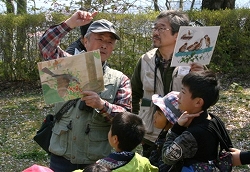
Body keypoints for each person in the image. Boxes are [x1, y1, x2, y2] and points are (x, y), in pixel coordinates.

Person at [38, 10, 132, 172]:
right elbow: (45, 45)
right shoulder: (66, 65)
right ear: (85, 41)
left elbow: (126, 120)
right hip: (62, 156)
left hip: (97, 162)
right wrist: (70, 23)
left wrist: (102, 105)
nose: (104, 45)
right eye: (100, 39)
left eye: (110, 42)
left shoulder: (120, 79)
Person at [131, 10, 205, 157]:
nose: (155, 32)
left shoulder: (193, 61)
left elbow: (205, 100)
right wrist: (136, 127)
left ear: (178, 35)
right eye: (154, 27)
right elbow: (134, 95)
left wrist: (201, 77)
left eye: (161, 28)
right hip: (150, 134)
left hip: (183, 134)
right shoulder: (146, 60)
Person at [162, 70, 233, 171]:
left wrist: (176, 128)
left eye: (183, 92)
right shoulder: (215, 120)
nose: (178, 96)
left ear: (198, 102)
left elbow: (167, 157)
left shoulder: (191, 135)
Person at [148, 91, 182, 172]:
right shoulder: (164, 134)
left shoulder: (172, 142)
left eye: (159, 114)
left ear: (171, 121)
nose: (154, 115)